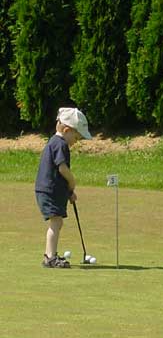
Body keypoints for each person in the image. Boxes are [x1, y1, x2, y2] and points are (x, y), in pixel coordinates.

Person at [35, 107, 92, 268]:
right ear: (66, 130)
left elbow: (56, 174)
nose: (76, 141)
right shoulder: (60, 144)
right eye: (76, 136)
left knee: (57, 222)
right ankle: (50, 257)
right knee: (56, 222)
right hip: (49, 190)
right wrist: (72, 182)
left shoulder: (54, 142)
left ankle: (50, 255)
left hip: (50, 189)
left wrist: (69, 192)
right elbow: (62, 169)